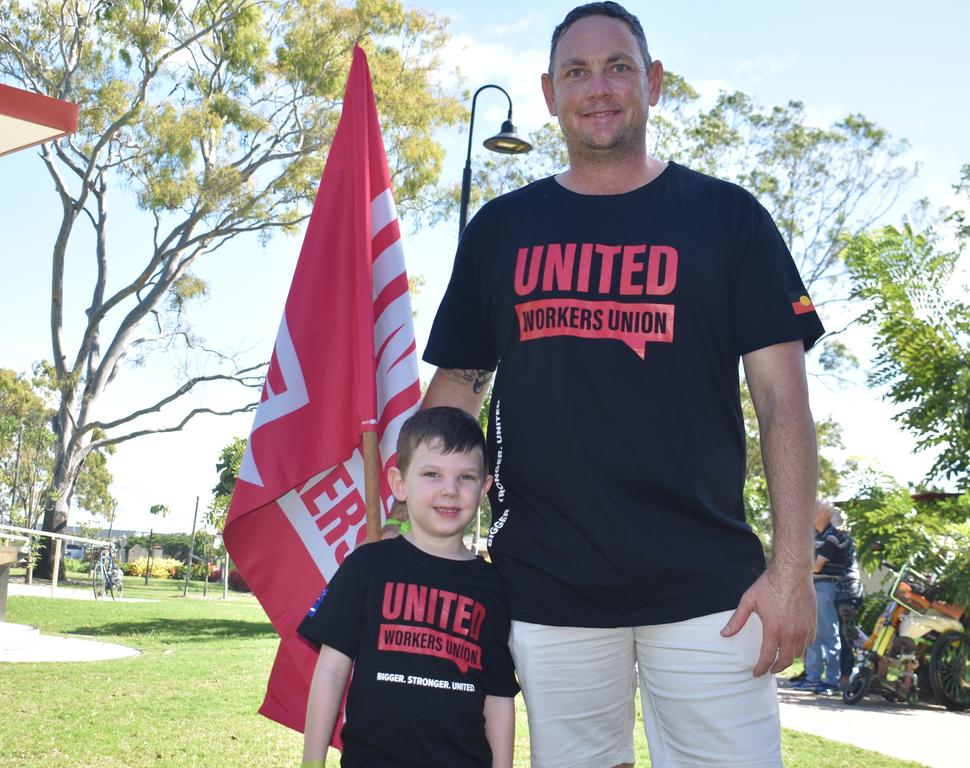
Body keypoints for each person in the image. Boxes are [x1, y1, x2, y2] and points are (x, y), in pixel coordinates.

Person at [415, 3, 825, 765]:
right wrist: (410, 528)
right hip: (548, 586)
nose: (597, 87)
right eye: (577, 71)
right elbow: (460, 390)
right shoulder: (502, 230)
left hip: (712, 593)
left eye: (619, 68)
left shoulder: (728, 219)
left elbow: (784, 405)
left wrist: (792, 571)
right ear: (548, 92)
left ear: (655, 82)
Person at [299, 407, 518, 768]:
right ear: (399, 483)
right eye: (432, 474)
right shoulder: (367, 566)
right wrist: (312, 761)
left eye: (466, 477)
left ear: (485, 489)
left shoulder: (493, 586)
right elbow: (331, 669)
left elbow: (498, 696)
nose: (450, 490)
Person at [794, 500, 849, 696]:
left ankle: (832, 682)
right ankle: (812, 679)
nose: (813, 511)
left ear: (826, 514)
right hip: (813, 586)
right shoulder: (817, 536)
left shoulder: (832, 536)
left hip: (826, 587)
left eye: (816, 508)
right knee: (813, 635)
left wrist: (795, 567)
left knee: (828, 634)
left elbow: (816, 566)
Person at [831, 507, 864, 689]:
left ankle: (846, 678)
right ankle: (848, 676)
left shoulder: (838, 538)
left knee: (847, 635)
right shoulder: (845, 538)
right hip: (850, 591)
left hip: (846, 592)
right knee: (848, 633)